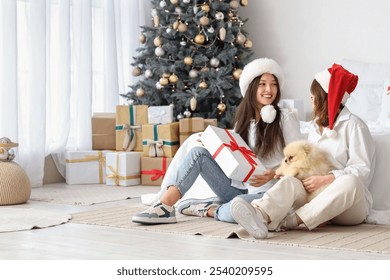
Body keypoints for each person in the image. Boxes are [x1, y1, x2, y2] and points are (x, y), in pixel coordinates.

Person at [132, 57, 301, 224]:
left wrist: (274, 173)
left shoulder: (286, 118)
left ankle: (208, 209)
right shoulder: (243, 120)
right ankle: (164, 206)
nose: (269, 89)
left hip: (268, 193)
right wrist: (210, 142)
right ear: (251, 87)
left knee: (235, 209)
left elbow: (298, 160)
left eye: (273, 84)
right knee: (198, 153)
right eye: (262, 84)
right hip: (240, 188)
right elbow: (233, 151)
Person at [230, 63, 376, 239]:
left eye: (313, 97)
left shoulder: (355, 126)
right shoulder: (314, 128)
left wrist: (326, 179)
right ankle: (261, 216)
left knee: (351, 181)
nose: (311, 101)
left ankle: (292, 221)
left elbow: (363, 171)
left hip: (348, 207)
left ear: (324, 98)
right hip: (315, 197)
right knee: (289, 182)